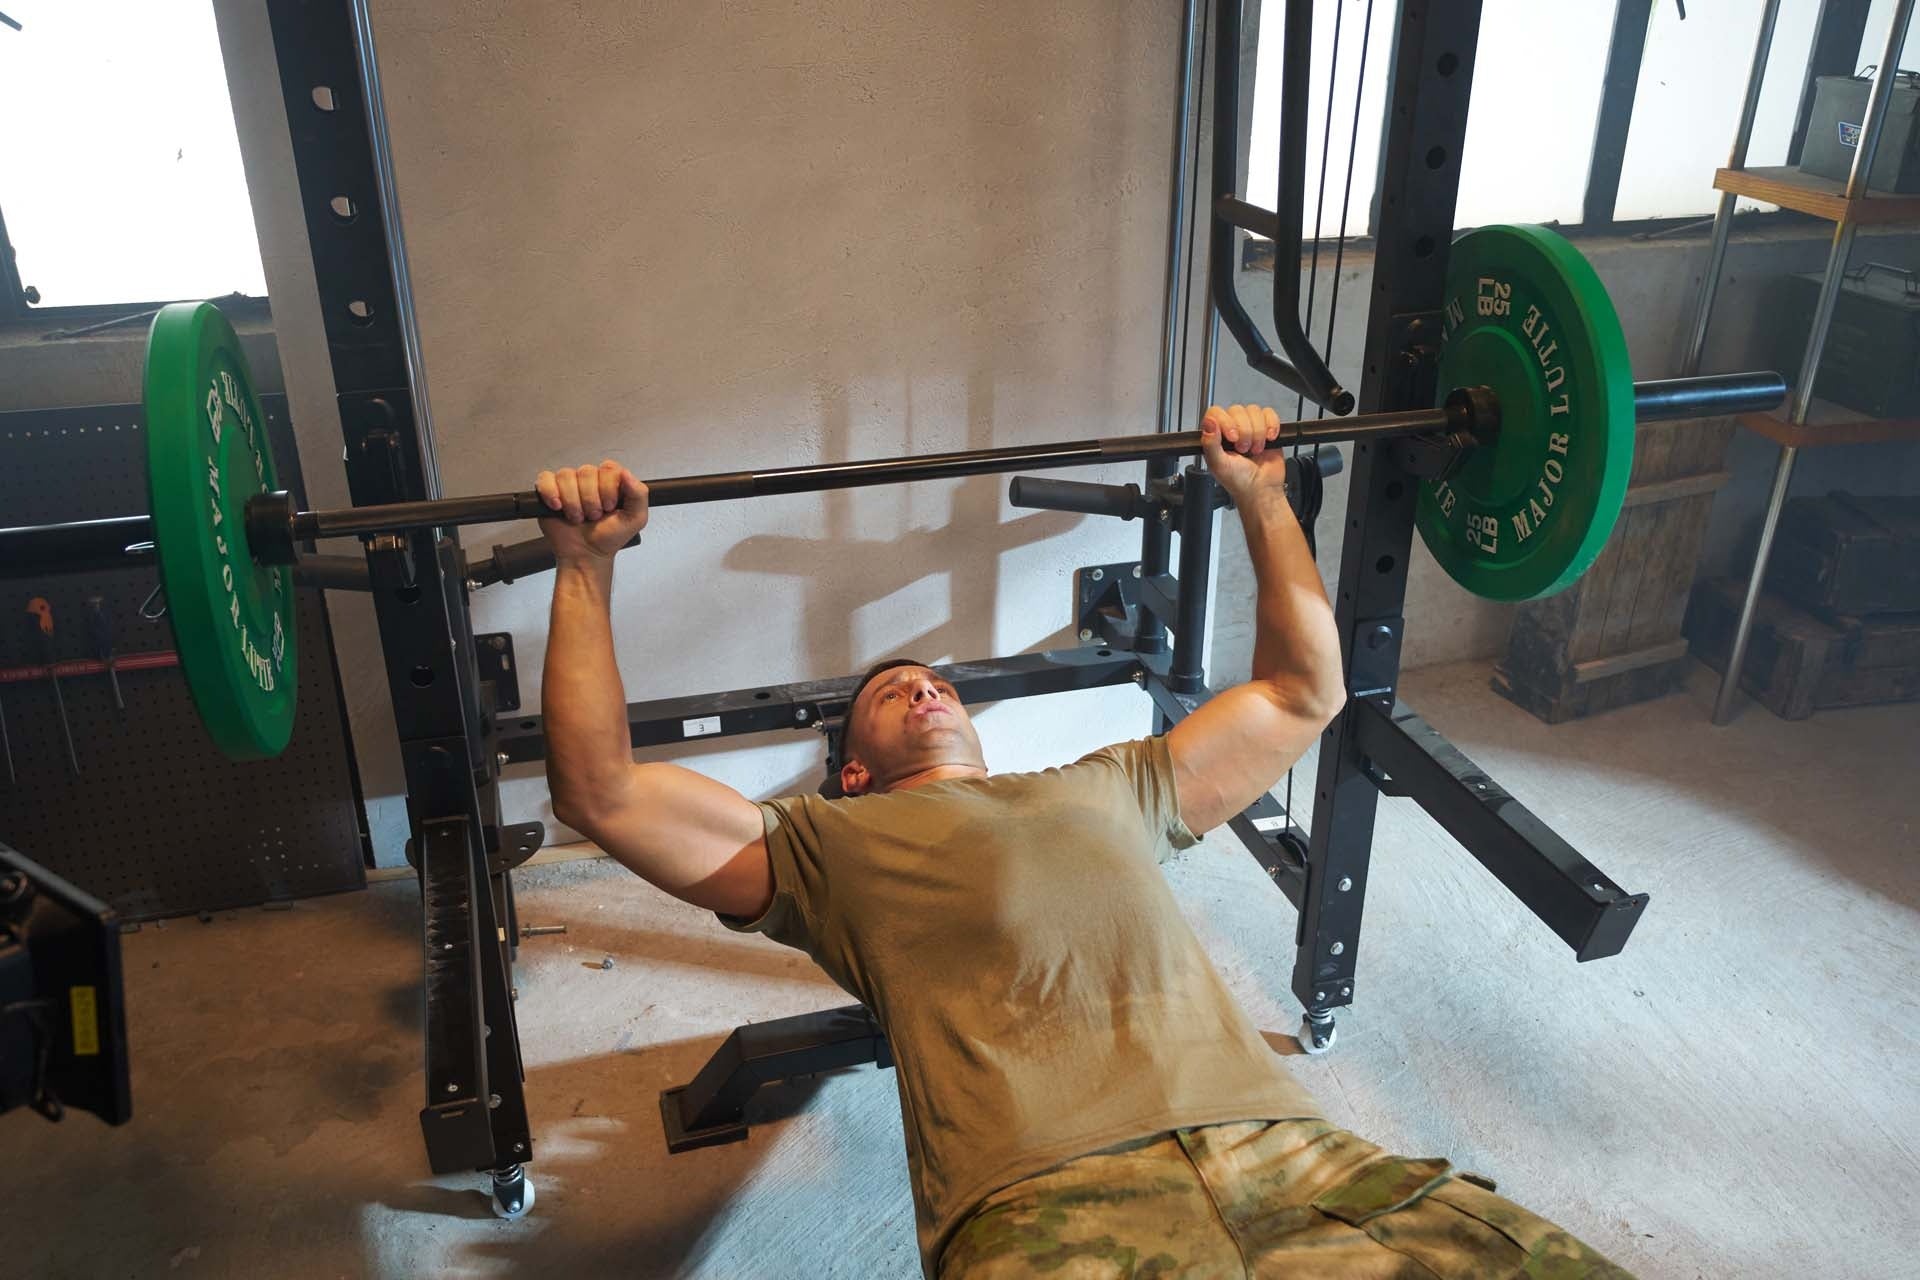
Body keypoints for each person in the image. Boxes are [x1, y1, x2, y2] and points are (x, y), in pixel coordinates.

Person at [536, 405, 1630, 1279]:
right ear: (852, 769)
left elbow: (1307, 693)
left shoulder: (1111, 783)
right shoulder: (823, 844)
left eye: (933, 677)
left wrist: (1261, 496)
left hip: (1297, 1157)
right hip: (1048, 1204)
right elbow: (601, 790)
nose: (920, 681)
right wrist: (586, 567)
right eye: (885, 690)